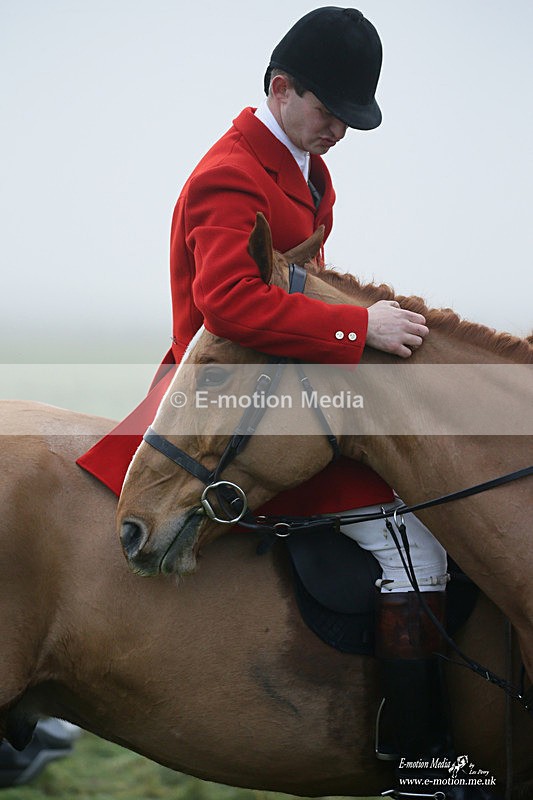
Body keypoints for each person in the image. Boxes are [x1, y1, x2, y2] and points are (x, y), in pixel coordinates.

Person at [77, 8, 497, 799]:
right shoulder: (230, 173)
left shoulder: (310, 169)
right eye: (329, 111)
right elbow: (230, 306)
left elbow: (296, 284)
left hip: (282, 380)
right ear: (280, 88)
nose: (339, 129)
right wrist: (355, 328)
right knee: (411, 542)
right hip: (224, 397)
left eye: (348, 118)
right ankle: (418, 767)